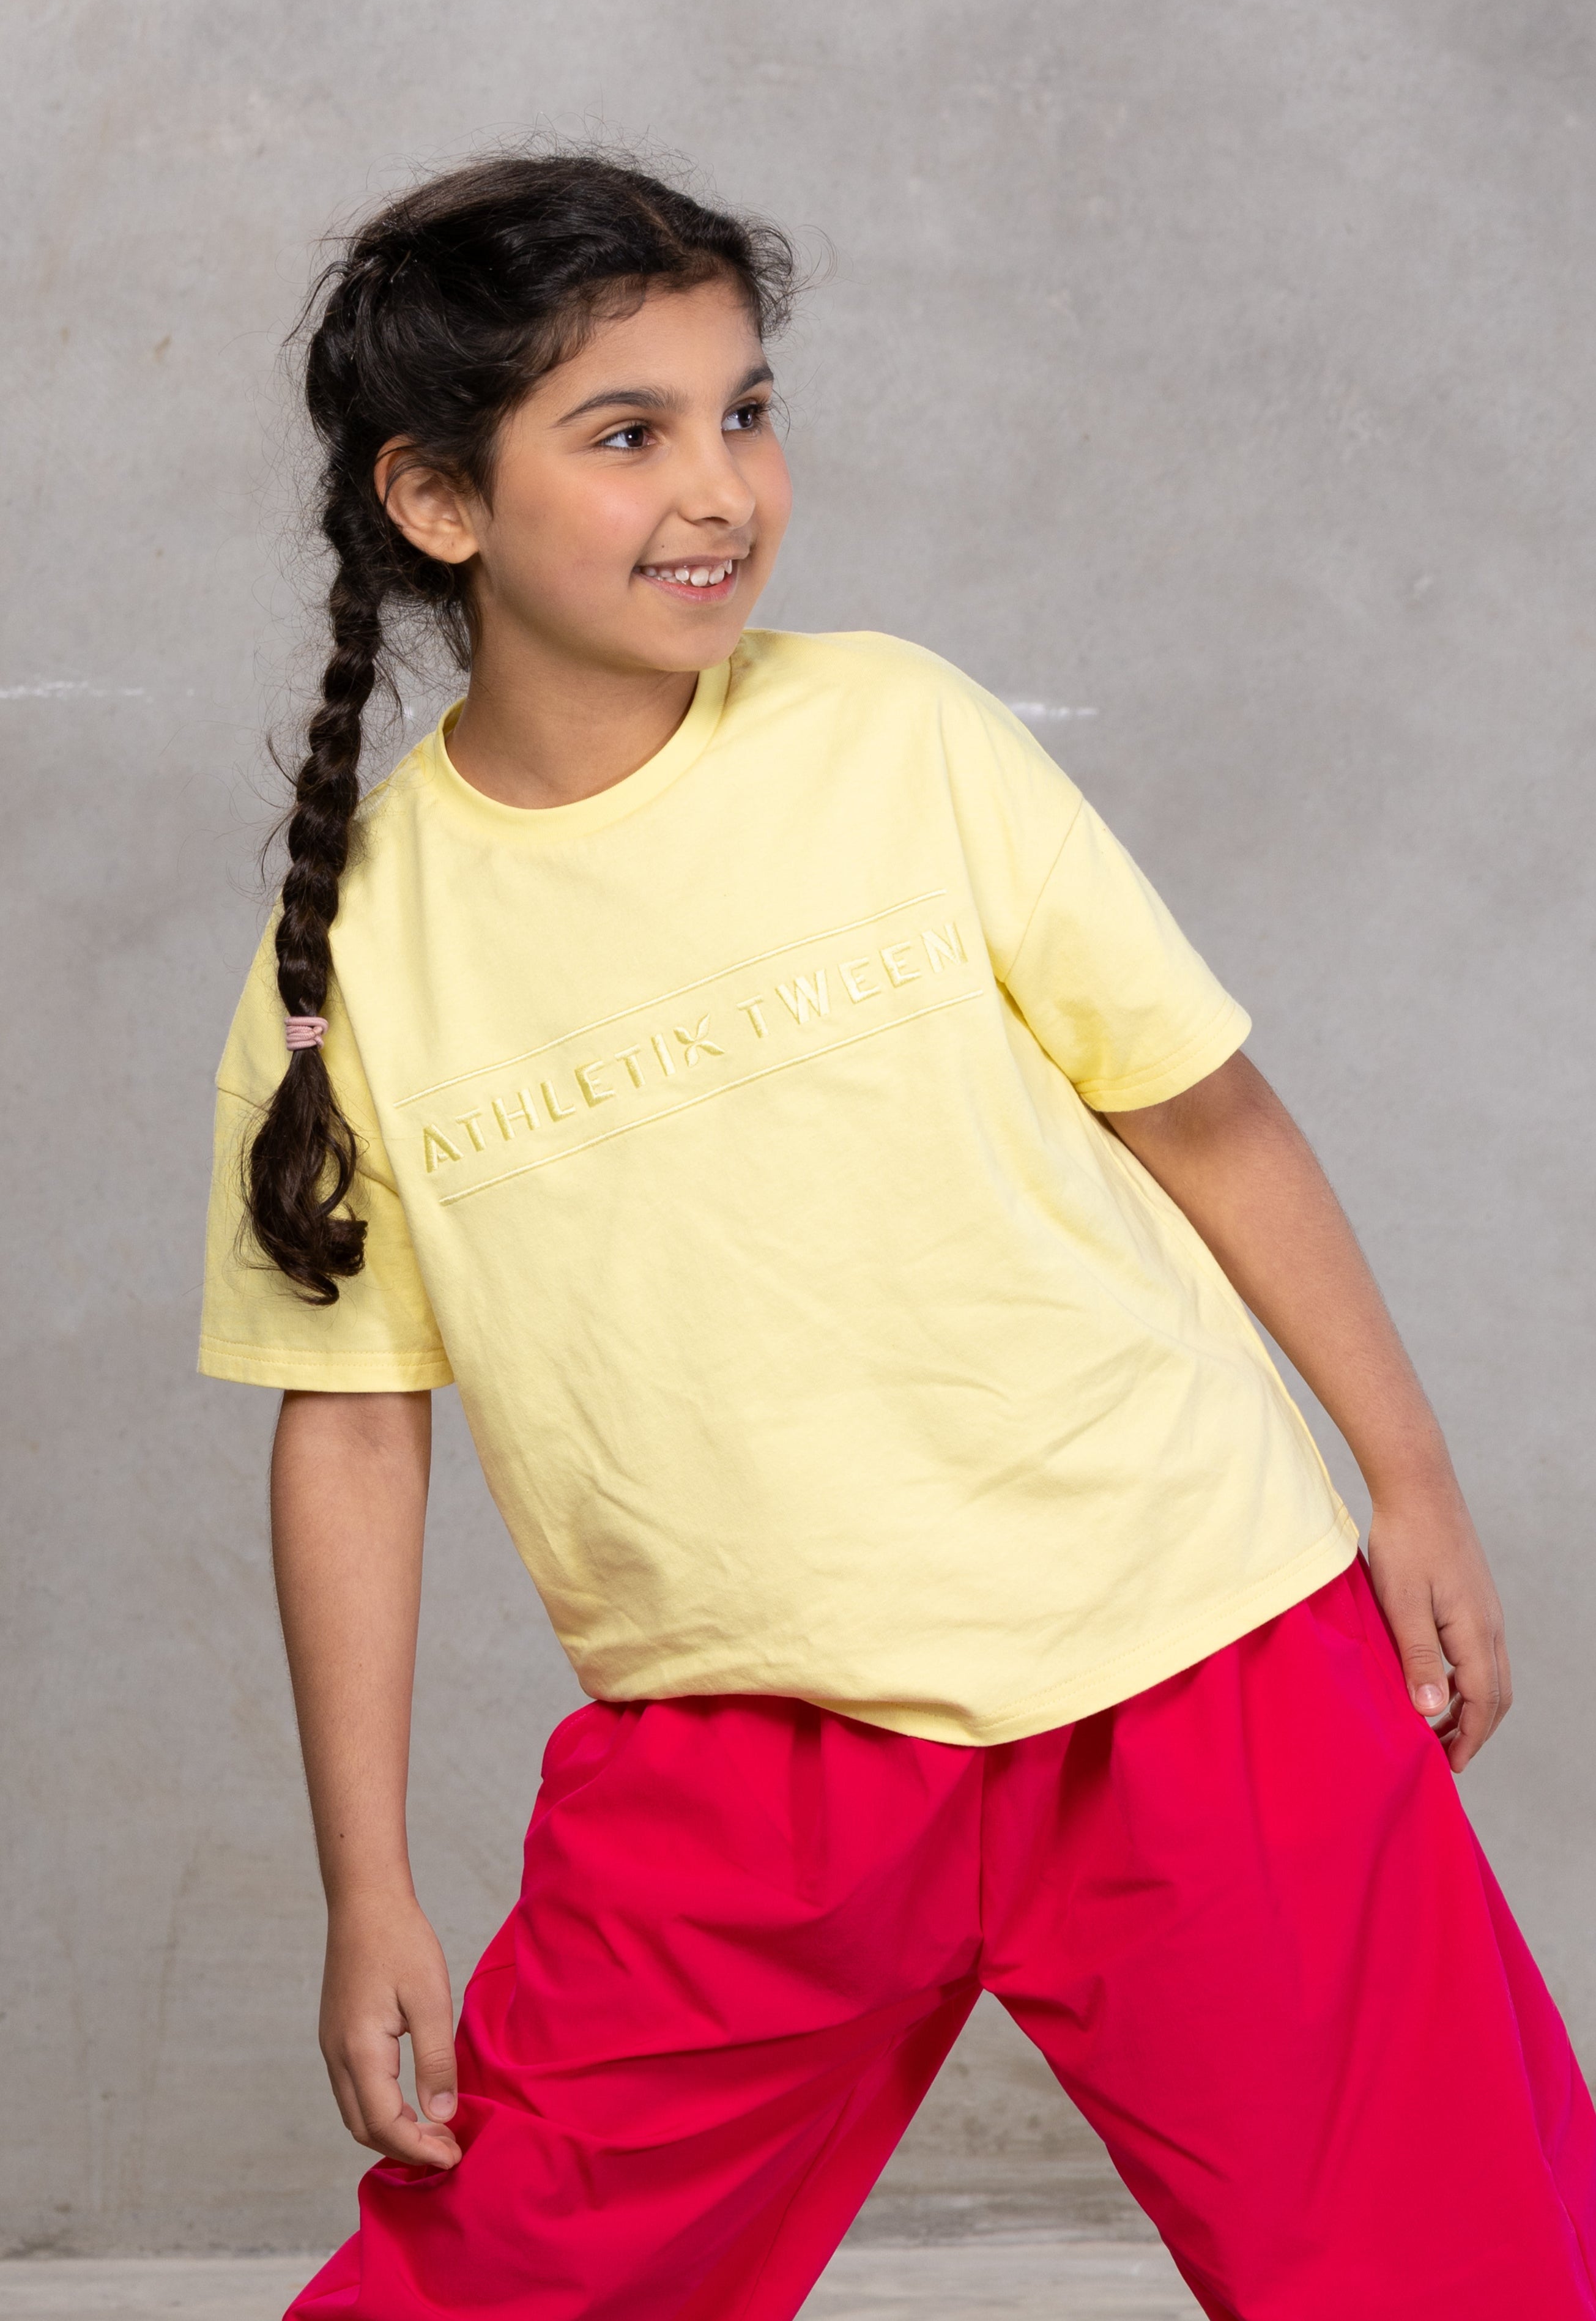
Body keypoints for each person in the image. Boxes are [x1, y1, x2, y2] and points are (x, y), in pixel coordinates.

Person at [199, 152, 1596, 2321]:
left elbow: (1203, 1114)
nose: (718, 485)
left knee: (1452, 2267)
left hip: (1195, 1653)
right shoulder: (352, 951)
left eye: (745, 410)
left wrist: (1405, 1480)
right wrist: (365, 1883)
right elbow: (354, 1427)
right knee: (509, 2276)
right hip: (749, 1747)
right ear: (437, 498)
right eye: (627, 430)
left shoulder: (900, 733)